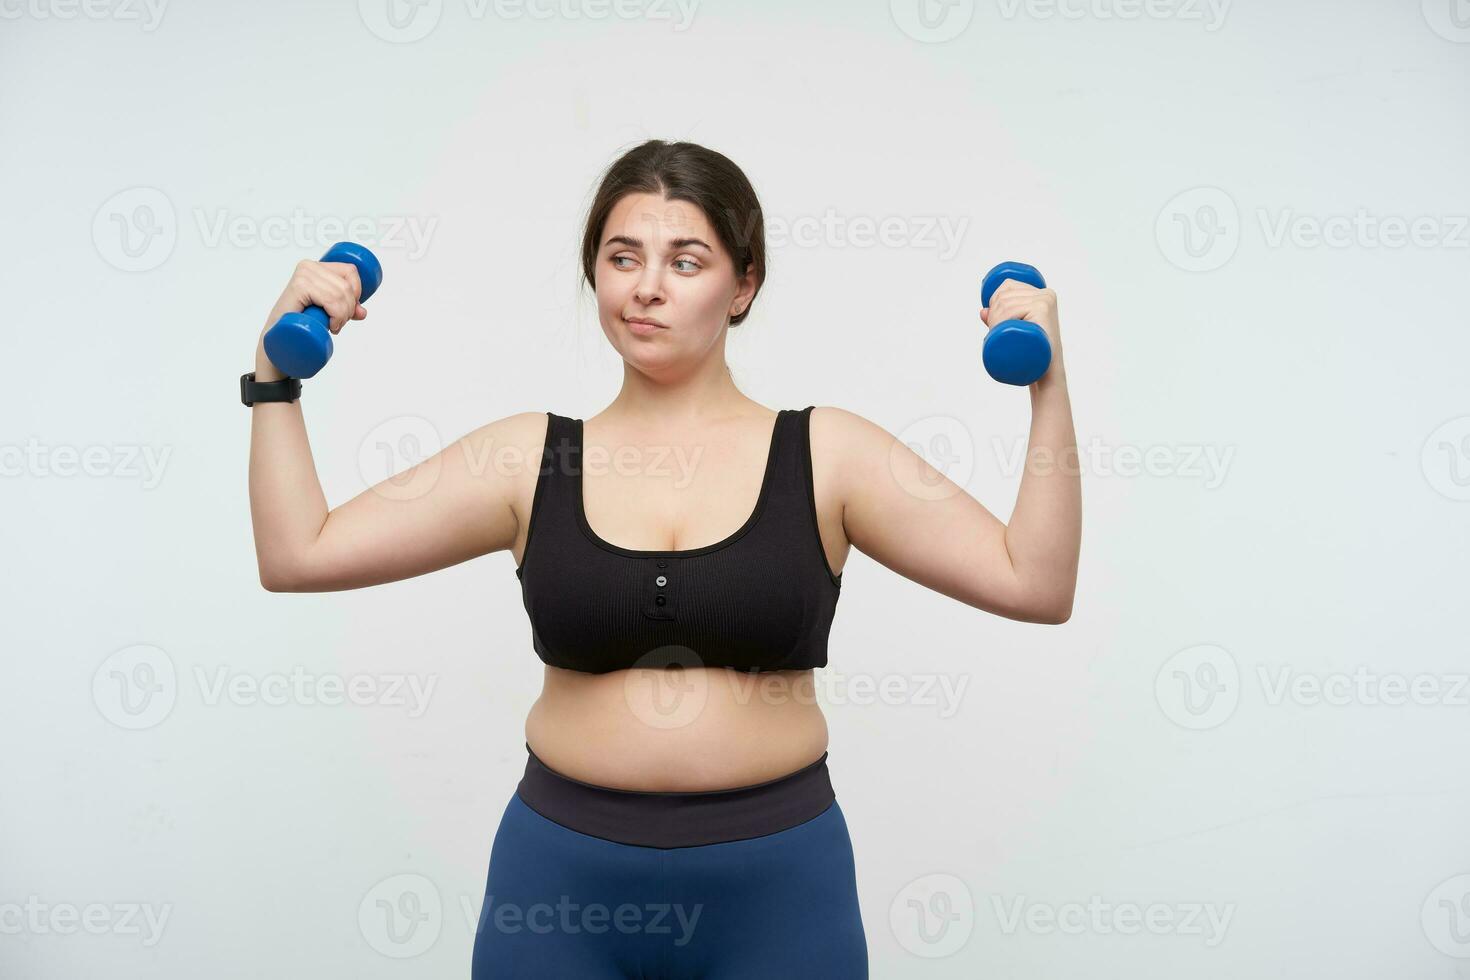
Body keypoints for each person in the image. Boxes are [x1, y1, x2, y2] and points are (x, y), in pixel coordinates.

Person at [245, 139, 1081, 978]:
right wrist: (273, 379)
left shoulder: (827, 453)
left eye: (686, 260)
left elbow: (1034, 582)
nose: (647, 286)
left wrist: (1050, 382)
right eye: (622, 258)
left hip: (779, 893)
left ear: (743, 284)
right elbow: (298, 553)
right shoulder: (530, 459)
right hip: (560, 892)